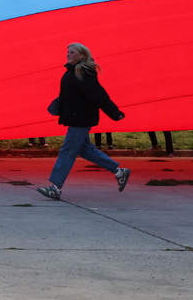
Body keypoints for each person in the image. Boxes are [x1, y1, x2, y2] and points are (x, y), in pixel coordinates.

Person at [37, 43, 130, 200]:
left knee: (67, 151)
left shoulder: (83, 73)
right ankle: (119, 171)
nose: (68, 54)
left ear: (81, 56)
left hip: (80, 119)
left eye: (71, 52)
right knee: (85, 150)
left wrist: (114, 113)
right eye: (67, 52)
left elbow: (99, 95)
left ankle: (56, 187)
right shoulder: (72, 71)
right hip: (76, 117)